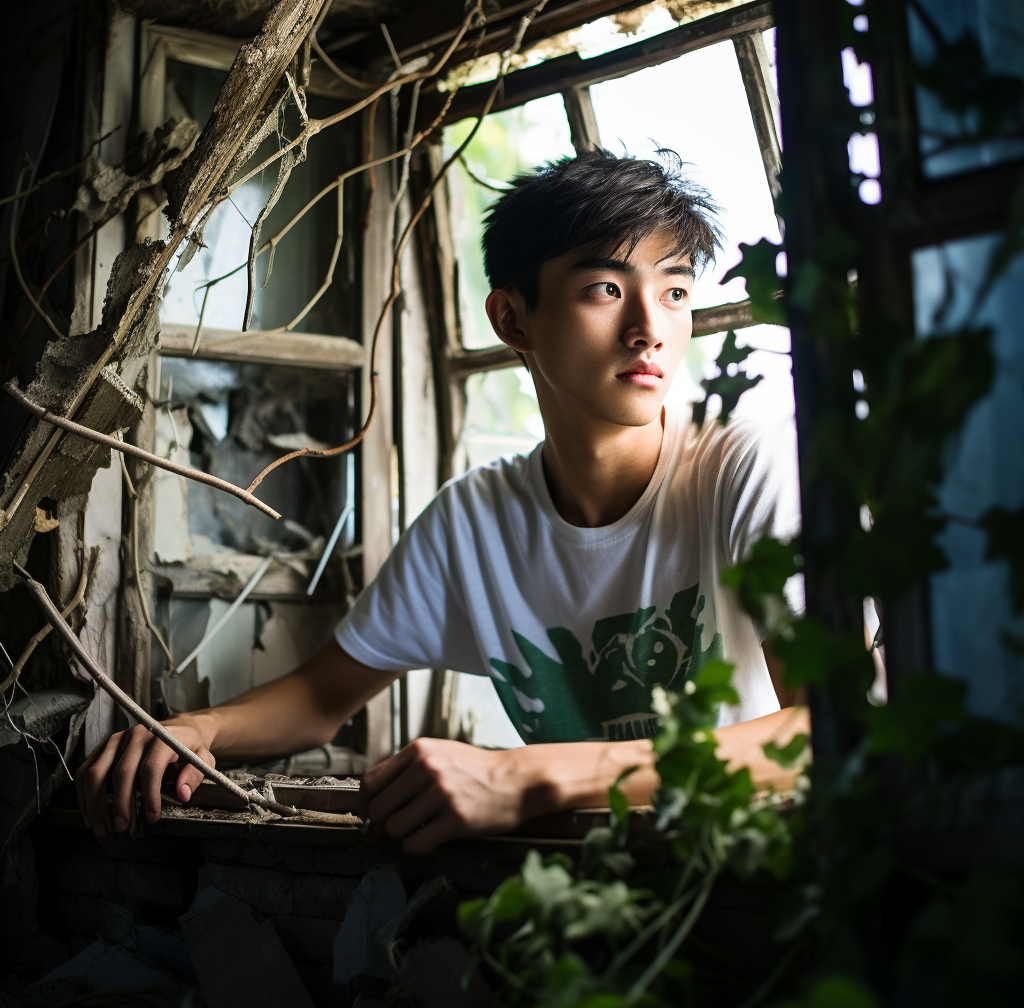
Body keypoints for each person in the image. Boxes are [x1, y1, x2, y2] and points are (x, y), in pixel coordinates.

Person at [77, 151, 809, 854]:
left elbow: (831, 732)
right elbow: (323, 697)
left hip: (758, 879)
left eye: (675, 291)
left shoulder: (747, 467)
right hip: (584, 896)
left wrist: (527, 775)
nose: (649, 327)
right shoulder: (474, 524)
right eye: (606, 290)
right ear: (513, 320)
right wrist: (197, 729)